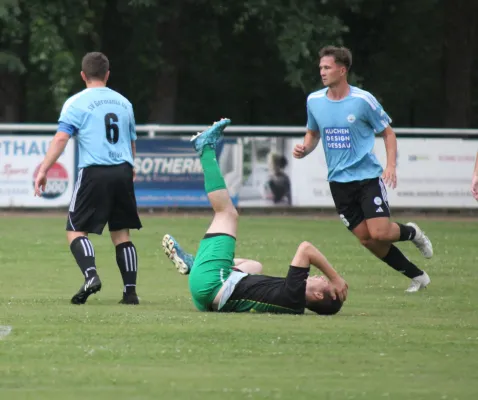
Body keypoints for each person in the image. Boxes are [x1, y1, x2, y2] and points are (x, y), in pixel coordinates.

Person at [161, 118, 347, 315]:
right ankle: (194, 263)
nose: (320, 277)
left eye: (323, 282)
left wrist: (335, 278)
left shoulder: (295, 294)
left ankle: (205, 148)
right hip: (207, 299)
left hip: (211, 284)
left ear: (318, 295)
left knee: (227, 214)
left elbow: (306, 249)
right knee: (254, 266)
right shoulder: (292, 303)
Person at [293, 45, 432, 293]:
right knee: (367, 240)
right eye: (321, 67)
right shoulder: (314, 100)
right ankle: (418, 276)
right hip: (338, 183)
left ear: (342, 70)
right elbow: (313, 133)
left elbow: (388, 133)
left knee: (379, 232)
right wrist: (305, 148)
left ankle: (413, 233)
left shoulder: (362, 100)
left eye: (327, 67)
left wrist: (390, 166)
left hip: (366, 178)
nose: (322, 72)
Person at [34, 52, 142, 305]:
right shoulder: (124, 103)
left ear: (83, 75)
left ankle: (91, 276)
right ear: (107, 74)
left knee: (75, 230)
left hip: (95, 171)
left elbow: (61, 138)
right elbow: (131, 140)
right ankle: (130, 292)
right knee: (121, 233)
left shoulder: (76, 102)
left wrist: (43, 169)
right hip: (123, 169)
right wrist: (132, 165)